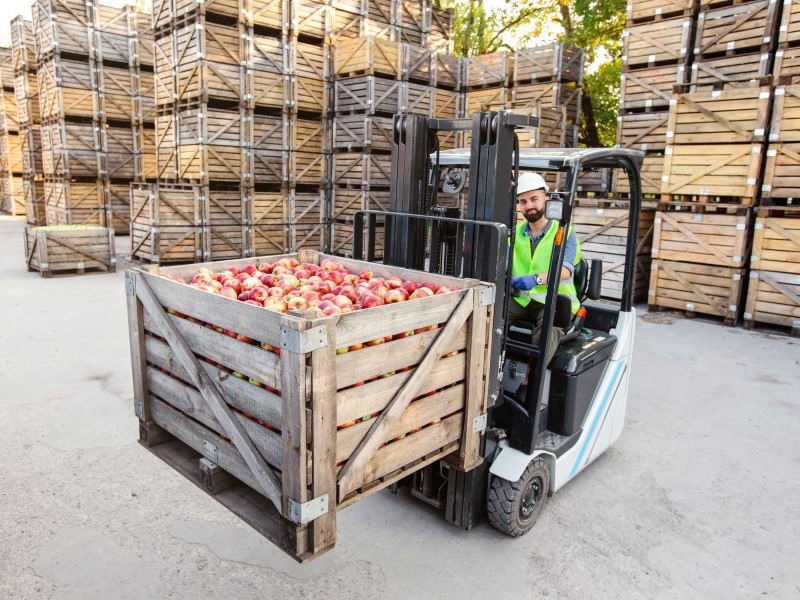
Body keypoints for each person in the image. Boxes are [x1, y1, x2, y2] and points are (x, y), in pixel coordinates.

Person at [508, 171, 582, 367]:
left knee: (549, 325)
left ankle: (530, 381)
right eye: (523, 202)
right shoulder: (513, 234)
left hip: (555, 301)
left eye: (534, 199)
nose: (529, 205)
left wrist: (536, 279)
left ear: (546, 198)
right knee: (488, 311)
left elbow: (565, 270)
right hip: (522, 299)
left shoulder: (564, 232)